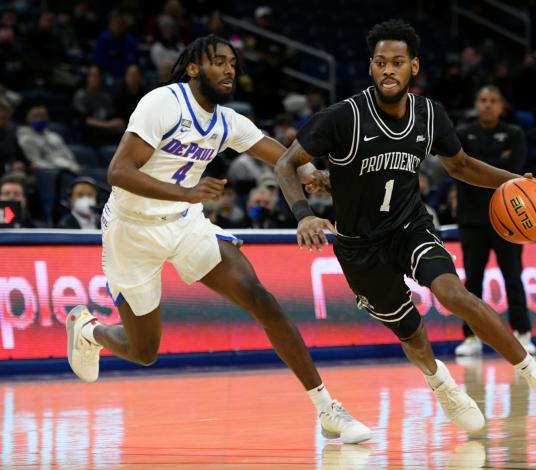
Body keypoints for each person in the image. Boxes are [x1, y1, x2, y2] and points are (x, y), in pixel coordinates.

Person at [275, 19, 536, 434]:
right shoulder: (342, 118)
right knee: (413, 335)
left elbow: (460, 165)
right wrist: (304, 214)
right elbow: (285, 163)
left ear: (414, 67)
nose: (389, 70)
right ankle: (442, 384)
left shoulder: (429, 114)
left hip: (410, 226)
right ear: (371, 67)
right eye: (381, 62)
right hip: (359, 246)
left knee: (454, 293)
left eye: (398, 62)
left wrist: (513, 180)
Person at [64, 35, 370, 444]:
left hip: (186, 223)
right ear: (193, 68)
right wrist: (188, 193)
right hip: (131, 230)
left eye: (233, 63)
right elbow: (118, 172)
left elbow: (282, 159)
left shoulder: (228, 121)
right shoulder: (163, 103)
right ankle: (89, 330)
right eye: (219, 61)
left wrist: (315, 176)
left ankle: (327, 409)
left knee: (260, 298)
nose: (229, 69)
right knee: (144, 351)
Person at [454, 85, 535, 356]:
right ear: (476, 105)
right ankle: (471, 338)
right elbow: (460, 169)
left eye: (493, 101)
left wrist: (477, 164)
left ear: (502, 106)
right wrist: (492, 164)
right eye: (483, 100)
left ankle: (523, 334)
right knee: (472, 283)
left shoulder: (514, 134)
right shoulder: (463, 133)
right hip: (471, 220)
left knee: (513, 277)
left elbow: (513, 172)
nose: (487, 105)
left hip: (508, 221)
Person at [17, 105, 79, 172]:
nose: (39, 119)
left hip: (70, 167)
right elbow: (36, 162)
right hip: (53, 172)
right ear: (28, 118)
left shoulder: (55, 136)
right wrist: (58, 170)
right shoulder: (26, 138)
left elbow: (68, 155)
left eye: (43, 116)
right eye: (35, 116)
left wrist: (74, 166)